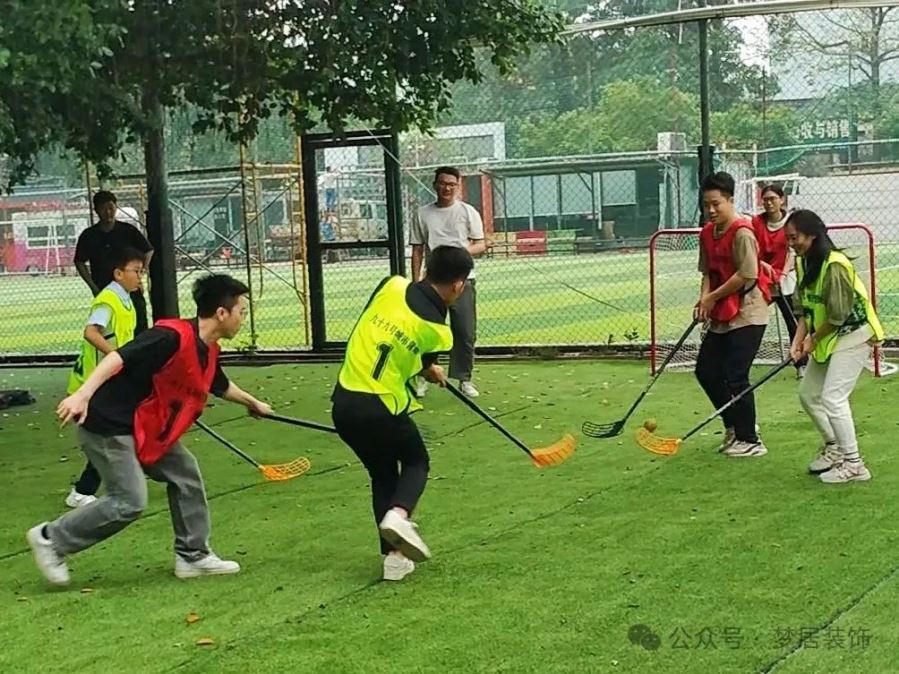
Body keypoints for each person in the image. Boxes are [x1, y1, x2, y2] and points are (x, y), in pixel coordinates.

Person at [27, 274, 273, 587]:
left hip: (147, 429)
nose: (243, 318)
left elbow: (217, 383)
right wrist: (82, 395)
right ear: (222, 313)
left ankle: (193, 556)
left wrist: (252, 403)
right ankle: (51, 539)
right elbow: (118, 357)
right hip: (109, 425)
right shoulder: (168, 337)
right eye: (242, 311)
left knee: (186, 475)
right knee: (128, 501)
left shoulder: (207, 349)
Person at [331, 245, 474, 582]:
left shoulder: (390, 285)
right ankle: (399, 514)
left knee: (383, 475)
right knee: (416, 462)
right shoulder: (440, 333)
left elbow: (381, 333)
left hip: (344, 404)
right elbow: (422, 357)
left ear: (426, 269)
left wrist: (426, 367)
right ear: (458, 285)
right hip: (382, 405)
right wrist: (429, 367)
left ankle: (394, 560)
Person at [787, 210, 884, 483]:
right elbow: (805, 309)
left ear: (811, 235)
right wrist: (797, 340)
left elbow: (838, 315)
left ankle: (854, 464)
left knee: (833, 397)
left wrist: (812, 340)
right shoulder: (803, 262)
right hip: (829, 337)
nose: (791, 244)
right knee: (808, 394)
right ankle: (834, 447)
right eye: (788, 239)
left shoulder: (835, 265)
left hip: (854, 334)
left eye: (795, 237)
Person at [695, 172, 771, 458]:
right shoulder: (707, 233)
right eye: (706, 204)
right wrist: (704, 300)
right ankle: (733, 427)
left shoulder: (742, 232)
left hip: (749, 311)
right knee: (706, 370)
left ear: (730, 200)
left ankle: (750, 439)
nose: (711, 210)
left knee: (736, 374)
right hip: (722, 311)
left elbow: (747, 274)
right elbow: (707, 272)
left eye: (716, 203)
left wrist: (712, 297)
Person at [63, 247, 145, 509]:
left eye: (141, 271)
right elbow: (91, 332)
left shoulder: (125, 299)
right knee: (108, 434)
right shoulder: (108, 299)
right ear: (118, 273)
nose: (140, 276)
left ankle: (112, 481)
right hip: (95, 382)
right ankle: (82, 491)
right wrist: (117, 357)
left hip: (110, 378)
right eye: (136, 271)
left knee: (117, 430)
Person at [410, 166, 486, 398]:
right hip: (432, 282)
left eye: (452, 184)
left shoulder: (468, 211)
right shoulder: (422, 213)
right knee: (426, 331)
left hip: (462, 280)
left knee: (465, 331)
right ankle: (422, 374)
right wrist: (415, 281)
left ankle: (464, 378)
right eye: (443, 183)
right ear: (435, 185)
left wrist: (459, 255)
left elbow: (481, 244)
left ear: (458, 186)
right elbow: (417, 249)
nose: (447, 188)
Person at [74, 191, 153, 334]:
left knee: (139, 326)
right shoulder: (89, 235)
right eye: (103, 208)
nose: (108, 212)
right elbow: (79, 261)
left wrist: (139, 273)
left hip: (130, 288)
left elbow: (148, 250)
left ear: (116, 207)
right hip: (105, 288)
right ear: (96, 210)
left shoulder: (128, 230)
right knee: (109, 328)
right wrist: (93, 286)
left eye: (111, 208)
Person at [751, 184, 805, 377]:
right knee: (750, 318)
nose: (768, 203)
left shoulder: (790, 222)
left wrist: (781, 275)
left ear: (781, 200)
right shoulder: (756, 222)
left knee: (793, 322)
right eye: (765, 199)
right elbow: (752, 249)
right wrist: (763, 270)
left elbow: (792, 252)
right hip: (762, 279)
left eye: (772, 199)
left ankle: (801, 364)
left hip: (784, 280)